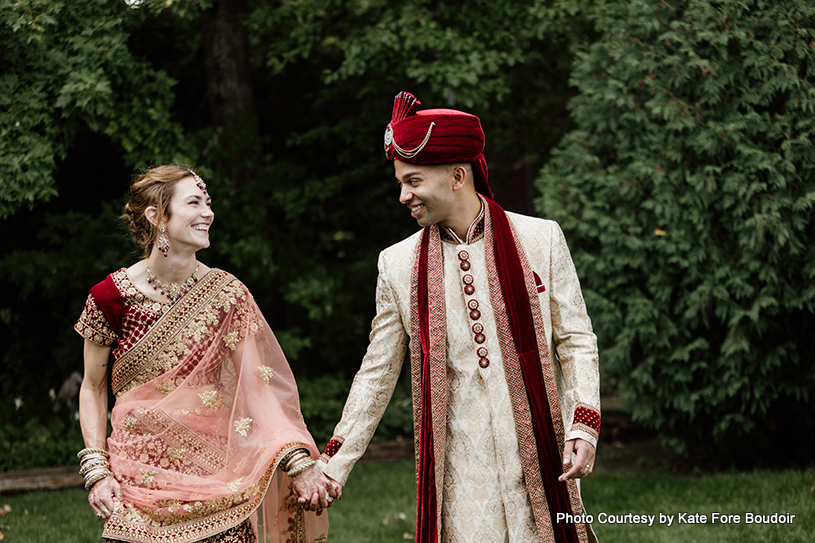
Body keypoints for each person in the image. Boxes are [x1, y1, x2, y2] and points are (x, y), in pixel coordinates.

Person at [318, 92, 601, 543]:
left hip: (537, 450)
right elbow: (377, 373)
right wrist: (334, 464)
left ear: (456, 176)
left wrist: (583, 425)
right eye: (400, 182)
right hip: (460, 471)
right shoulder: (397, 264)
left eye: (412, 181)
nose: (402, 195)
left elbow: (575, 338)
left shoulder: (541, 239)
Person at [75, 165, 337, 543]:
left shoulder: (227, 296)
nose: (208, 212)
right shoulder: (110, 298)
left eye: (209, 203)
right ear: (156, 217)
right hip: (138, 481)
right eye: (194, 202)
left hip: (218, 478)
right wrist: (97, 471)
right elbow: (92, 387)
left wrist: (296, 462)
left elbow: (258, 390)